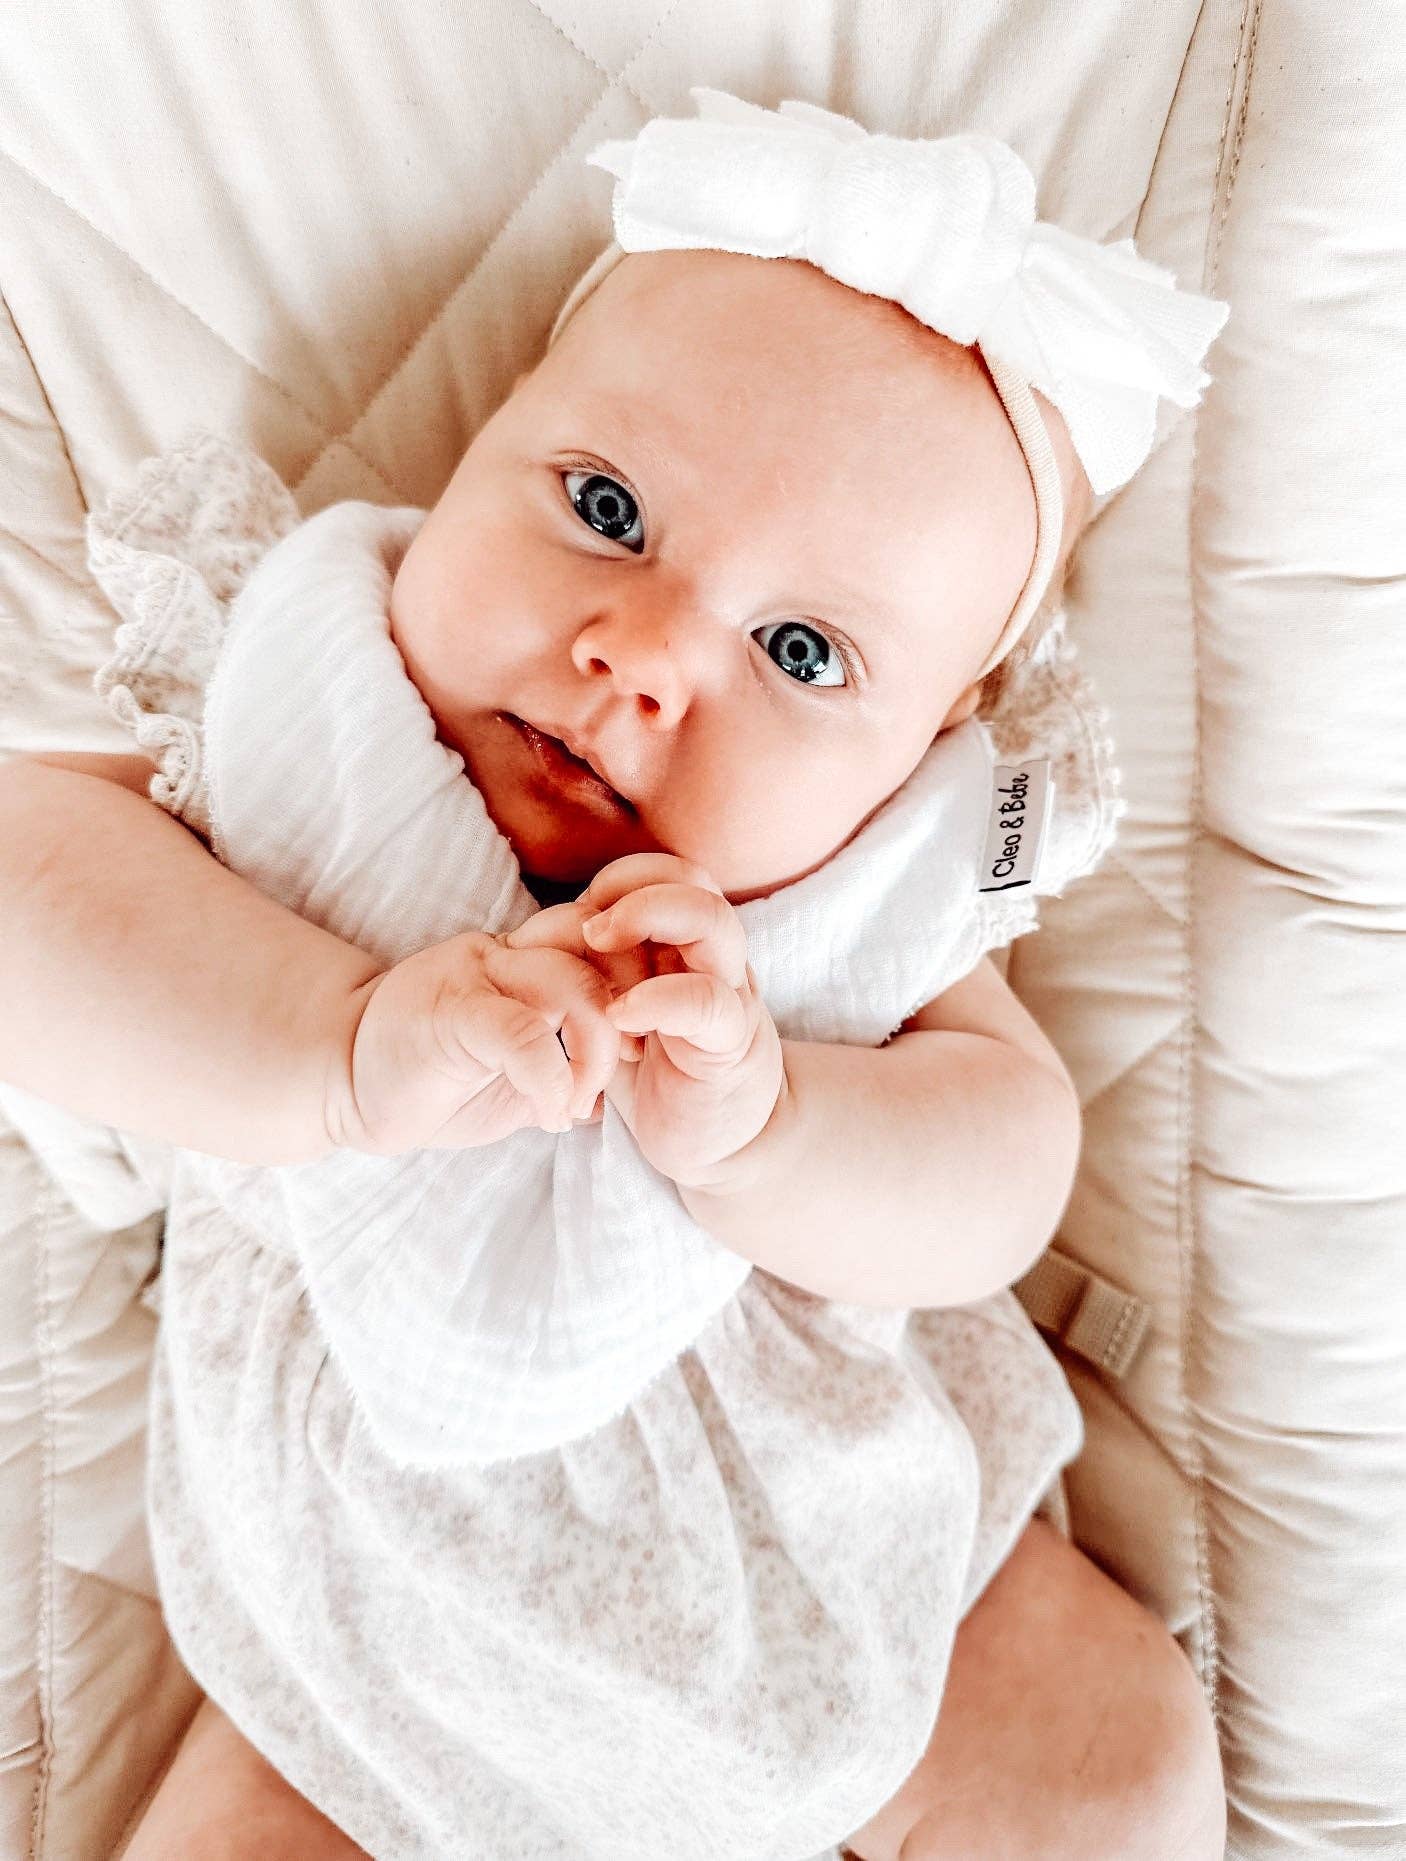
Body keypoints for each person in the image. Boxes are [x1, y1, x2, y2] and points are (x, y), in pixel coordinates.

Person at [0, 91, 1229, 1860]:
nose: (637, 655)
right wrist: (334, 1044)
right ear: (479, 440)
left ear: (919, 753)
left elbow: (1007, 1164)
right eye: (603, 508)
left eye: (798, 651)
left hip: (856, 1590)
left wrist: (772, 1128)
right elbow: (34, 897)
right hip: (354, 1682)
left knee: (1112, 1762)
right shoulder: (286, 720)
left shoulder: (841, 920)